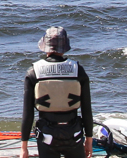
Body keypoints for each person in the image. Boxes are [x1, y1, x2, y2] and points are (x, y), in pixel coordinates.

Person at [20, 27, 93, 158]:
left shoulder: (33, 72)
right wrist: (89, 139)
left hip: (47, 137)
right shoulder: (78, 70)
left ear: (45, 46)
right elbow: (87, 109)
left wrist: (24, 148)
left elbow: (28, 113)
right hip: (74, 135)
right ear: (65, 46)